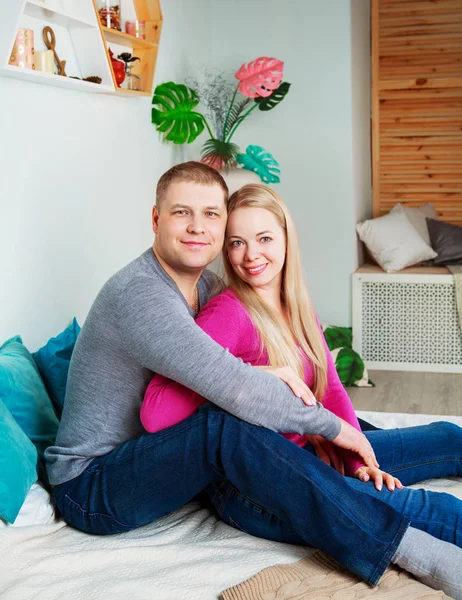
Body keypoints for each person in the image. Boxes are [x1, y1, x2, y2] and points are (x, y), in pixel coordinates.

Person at [44, 162, 461, 597]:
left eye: (211, 214)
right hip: (93, 484)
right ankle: (411, 548)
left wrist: (342, 440)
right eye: (181, 213)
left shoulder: (206, 287)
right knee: (223, 427)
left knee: (372, 437)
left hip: (168, 463)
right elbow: (221, 391)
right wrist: (325, 424)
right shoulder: (142, 295)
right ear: (156, 219)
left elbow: (263, 382)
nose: (197, 227)